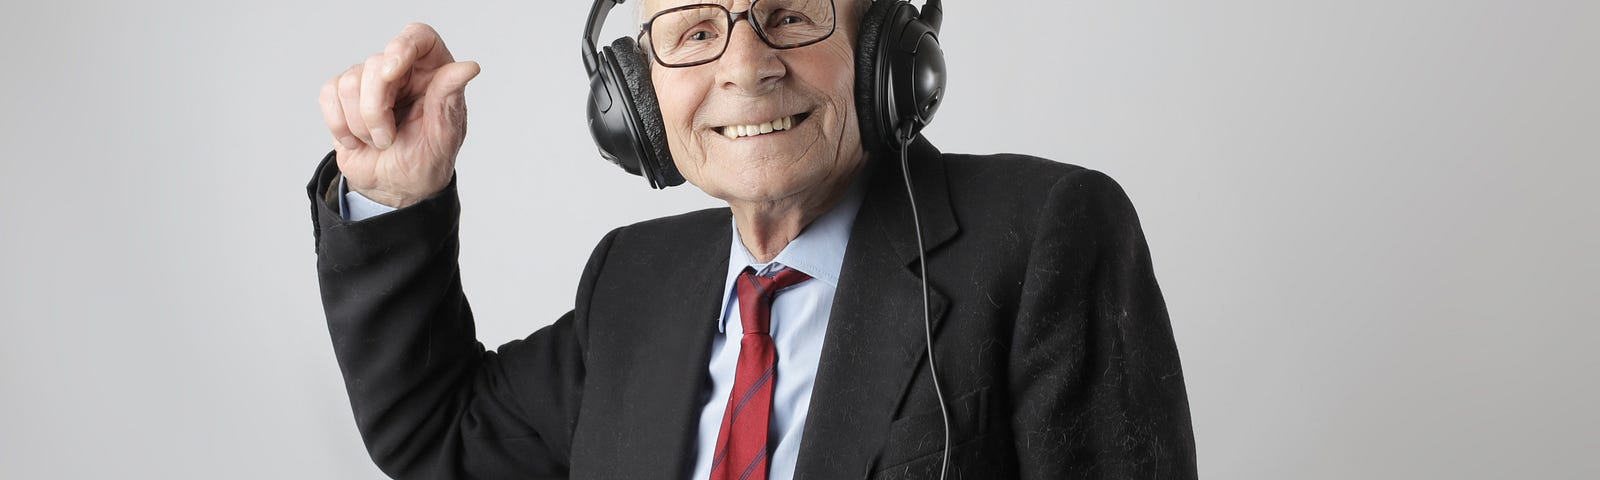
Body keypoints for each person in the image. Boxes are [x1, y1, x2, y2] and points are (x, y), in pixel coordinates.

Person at [306, 1, 1197, 478]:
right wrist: (393, 195)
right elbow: (438, 435)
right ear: (635, 93)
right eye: (695, 29)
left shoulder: (1047, 235)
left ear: (886, 45)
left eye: (793, 12)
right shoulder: (633, 280)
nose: (745, 66)